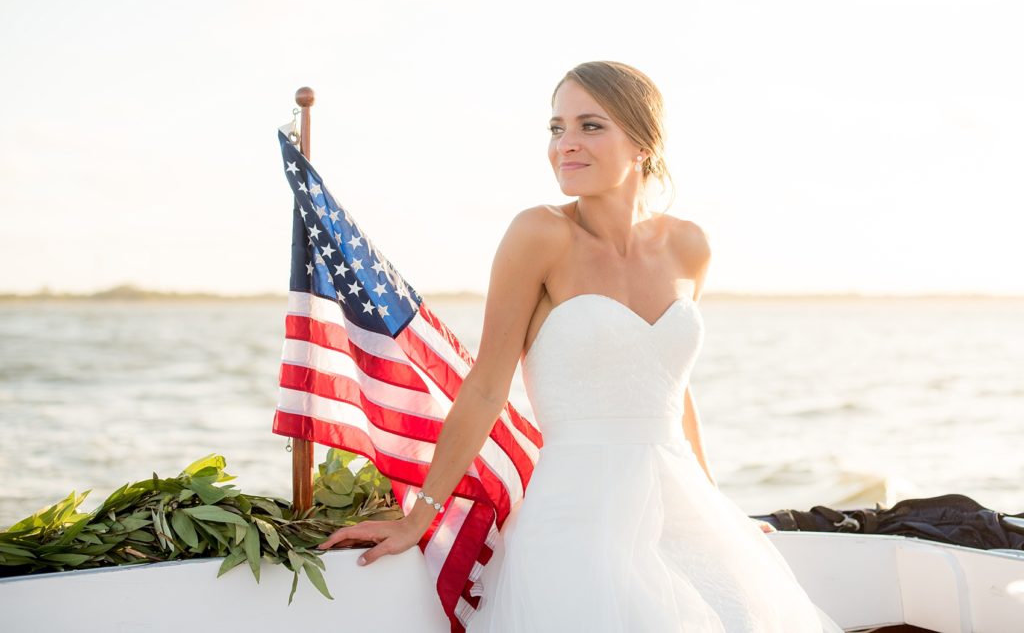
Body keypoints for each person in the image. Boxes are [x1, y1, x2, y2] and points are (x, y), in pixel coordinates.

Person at [319, 61, 844, 631]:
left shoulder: (690, 246)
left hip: (680, 507)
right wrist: (419, 518)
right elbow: (488, 384)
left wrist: (715, 506)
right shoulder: (539, 234)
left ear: (643, 142)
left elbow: (672, 388)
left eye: (590, 126)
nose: (565, 145)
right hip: (576, 518)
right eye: (556, 128)